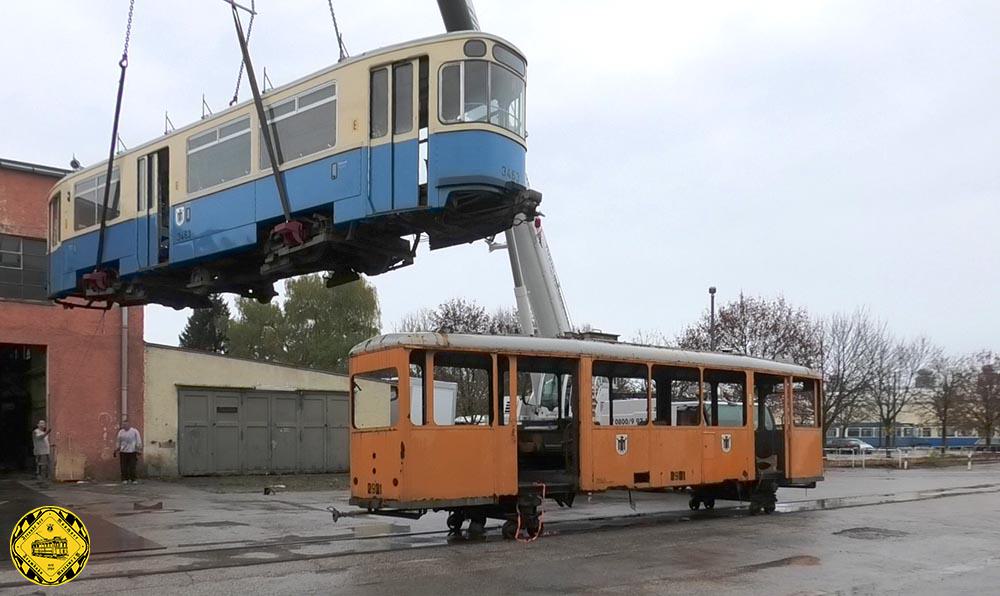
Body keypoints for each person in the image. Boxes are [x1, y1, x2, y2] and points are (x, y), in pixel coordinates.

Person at [114, 419, 142, 484]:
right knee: (123, 466)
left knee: (132, 466)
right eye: (123, 424)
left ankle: (133, 479)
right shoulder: (121, 432)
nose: (124, 426)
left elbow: (138, 440)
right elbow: (118, 441)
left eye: (126, 424)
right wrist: (116, 449)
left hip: (132, 451)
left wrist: (139, 449)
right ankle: (124, 479)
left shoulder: (134, 431)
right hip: (123, 452)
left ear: (129, 424)